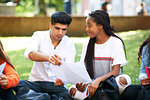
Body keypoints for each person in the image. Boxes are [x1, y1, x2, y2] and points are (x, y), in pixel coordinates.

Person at [14, 11, 76, 100]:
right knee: (16, 83)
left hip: (55, 86)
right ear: (50, 25)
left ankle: (41, 97)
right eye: (57, 28)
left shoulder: (69, 43)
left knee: (68, 97)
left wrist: (63, 79)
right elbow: (29, 53)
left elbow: (69, 67)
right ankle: (48, 97)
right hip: (36, 83)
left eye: (64, 29)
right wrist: (48, 58)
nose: (60, 33)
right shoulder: (39, 35)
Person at [69, 10, 128, 100]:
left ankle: (95, 95)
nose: (87, 29)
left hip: (111, 83)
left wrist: (99, 80)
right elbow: (84, 71)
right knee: (72, 90)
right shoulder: (87, 43)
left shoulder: (115, 42)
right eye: (86, 26)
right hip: (92, 83)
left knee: (124, 80)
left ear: (100, 26)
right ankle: (103, 95)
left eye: (89, 26)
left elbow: (115, 71)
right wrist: (82, 84)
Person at [121, 35, 150, 100]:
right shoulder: (148, 46)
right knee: (129, 92)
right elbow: (143, 71)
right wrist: (143, 78)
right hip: (148, 86)